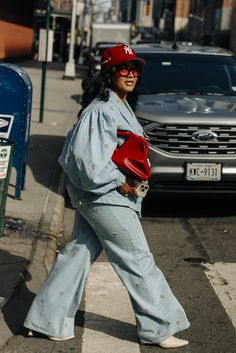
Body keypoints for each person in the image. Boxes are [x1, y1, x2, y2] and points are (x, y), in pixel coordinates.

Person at [24, 44, 190, 348]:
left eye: (135, 69)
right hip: (106, 197)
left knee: (77, 256)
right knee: (137, 259)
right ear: (109, 72)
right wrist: (121, 183)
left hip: (102, 196)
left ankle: (47, 320)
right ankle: (158, 327)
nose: (131, 74)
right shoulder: (101, 110)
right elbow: (87, 162)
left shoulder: (119, 105)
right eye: (124, 68)